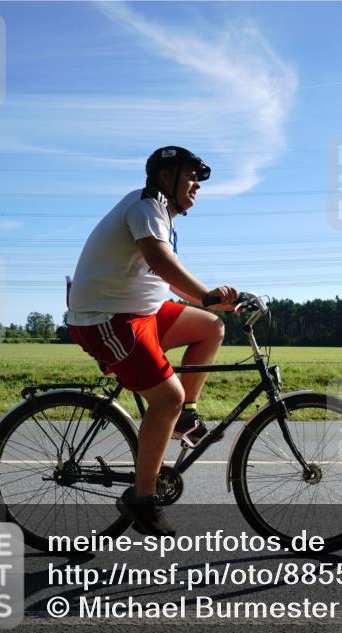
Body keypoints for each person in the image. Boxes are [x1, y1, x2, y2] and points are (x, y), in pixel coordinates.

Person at [66, 146, 238, 537]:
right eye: (190, 176)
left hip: (140, 313)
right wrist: (210, 293)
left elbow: (168, 281)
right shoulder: (146, 206)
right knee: (167, 398)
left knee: (210, 327)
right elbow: (162, 264)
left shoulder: (163, 215)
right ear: (165, 178)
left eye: (199, 178)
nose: (196, 185)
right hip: (106, 318)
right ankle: (141, 499)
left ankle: (185, 417)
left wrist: (220, 303)